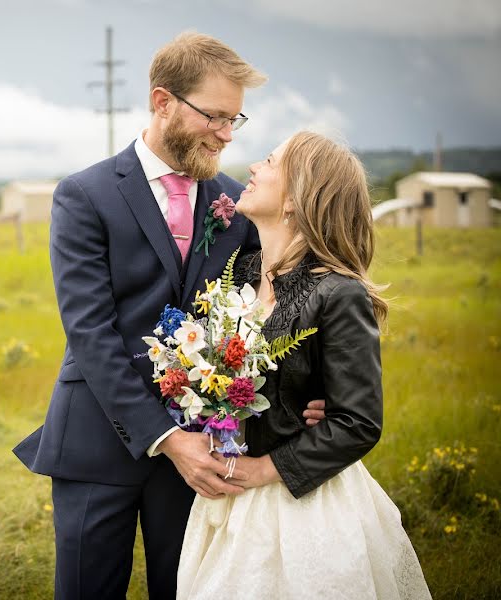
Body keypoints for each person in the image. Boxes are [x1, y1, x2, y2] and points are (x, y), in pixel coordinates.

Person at [13, 33, 326, 599]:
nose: (227, 134)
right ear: (162, 102)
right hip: (97, 440)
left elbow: (271, 311)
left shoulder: (239, 202)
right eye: (215, 116)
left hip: (204, 452)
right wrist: (165, 437)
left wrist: (311, 388)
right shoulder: (84, 195)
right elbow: (90, 333)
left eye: (236, 119)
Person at [176, 131, 431, 599]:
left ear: (296, 198)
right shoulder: (238, 274)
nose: (252, 168)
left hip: (301, 504)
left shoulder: (338, 293)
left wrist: (263, 469)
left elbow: (357, 422)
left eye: (270, 162)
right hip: (227, 501)